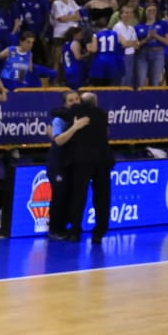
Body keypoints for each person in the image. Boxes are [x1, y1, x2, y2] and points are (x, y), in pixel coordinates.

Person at [64, 91, 113, 246]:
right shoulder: (103, 114)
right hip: (102, 160)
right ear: (95, 102)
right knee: (102, 198)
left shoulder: (75, 112)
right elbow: (106, 133)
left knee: (78, 196)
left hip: (82, 160)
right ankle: (99, 232)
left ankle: (75, 231)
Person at [46, 90, 82, 241]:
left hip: (72, 162)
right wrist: (75, 127)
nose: (74, 102)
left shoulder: (81, 117)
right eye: (70, 100)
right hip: (58, 162)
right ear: (65, 103)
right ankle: (54, 228)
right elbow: (59, 140)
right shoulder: (59, 119)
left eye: (76, 99)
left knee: (70, 195)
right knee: (59, 196)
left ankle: (64, 225)